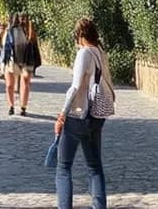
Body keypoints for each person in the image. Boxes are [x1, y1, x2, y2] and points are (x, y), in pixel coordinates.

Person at [54, 17, 115, 209]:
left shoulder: (84, 54)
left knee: (63, 167)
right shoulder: (101, 53)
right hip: (97, 116)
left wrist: (62, 115)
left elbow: (75, 87)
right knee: (95, 167)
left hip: (79, 117)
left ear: (80, 35)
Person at [2, 13, 34, 115]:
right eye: (20, 18)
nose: (22, 20)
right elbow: (4, 46)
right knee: (10, 85)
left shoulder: (29, 30)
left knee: (25, 80)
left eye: (24, 18)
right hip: (11, 59)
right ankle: (11, 106)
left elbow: (33, 44)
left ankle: (23, 107)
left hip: (26, 59)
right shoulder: (9, 31)